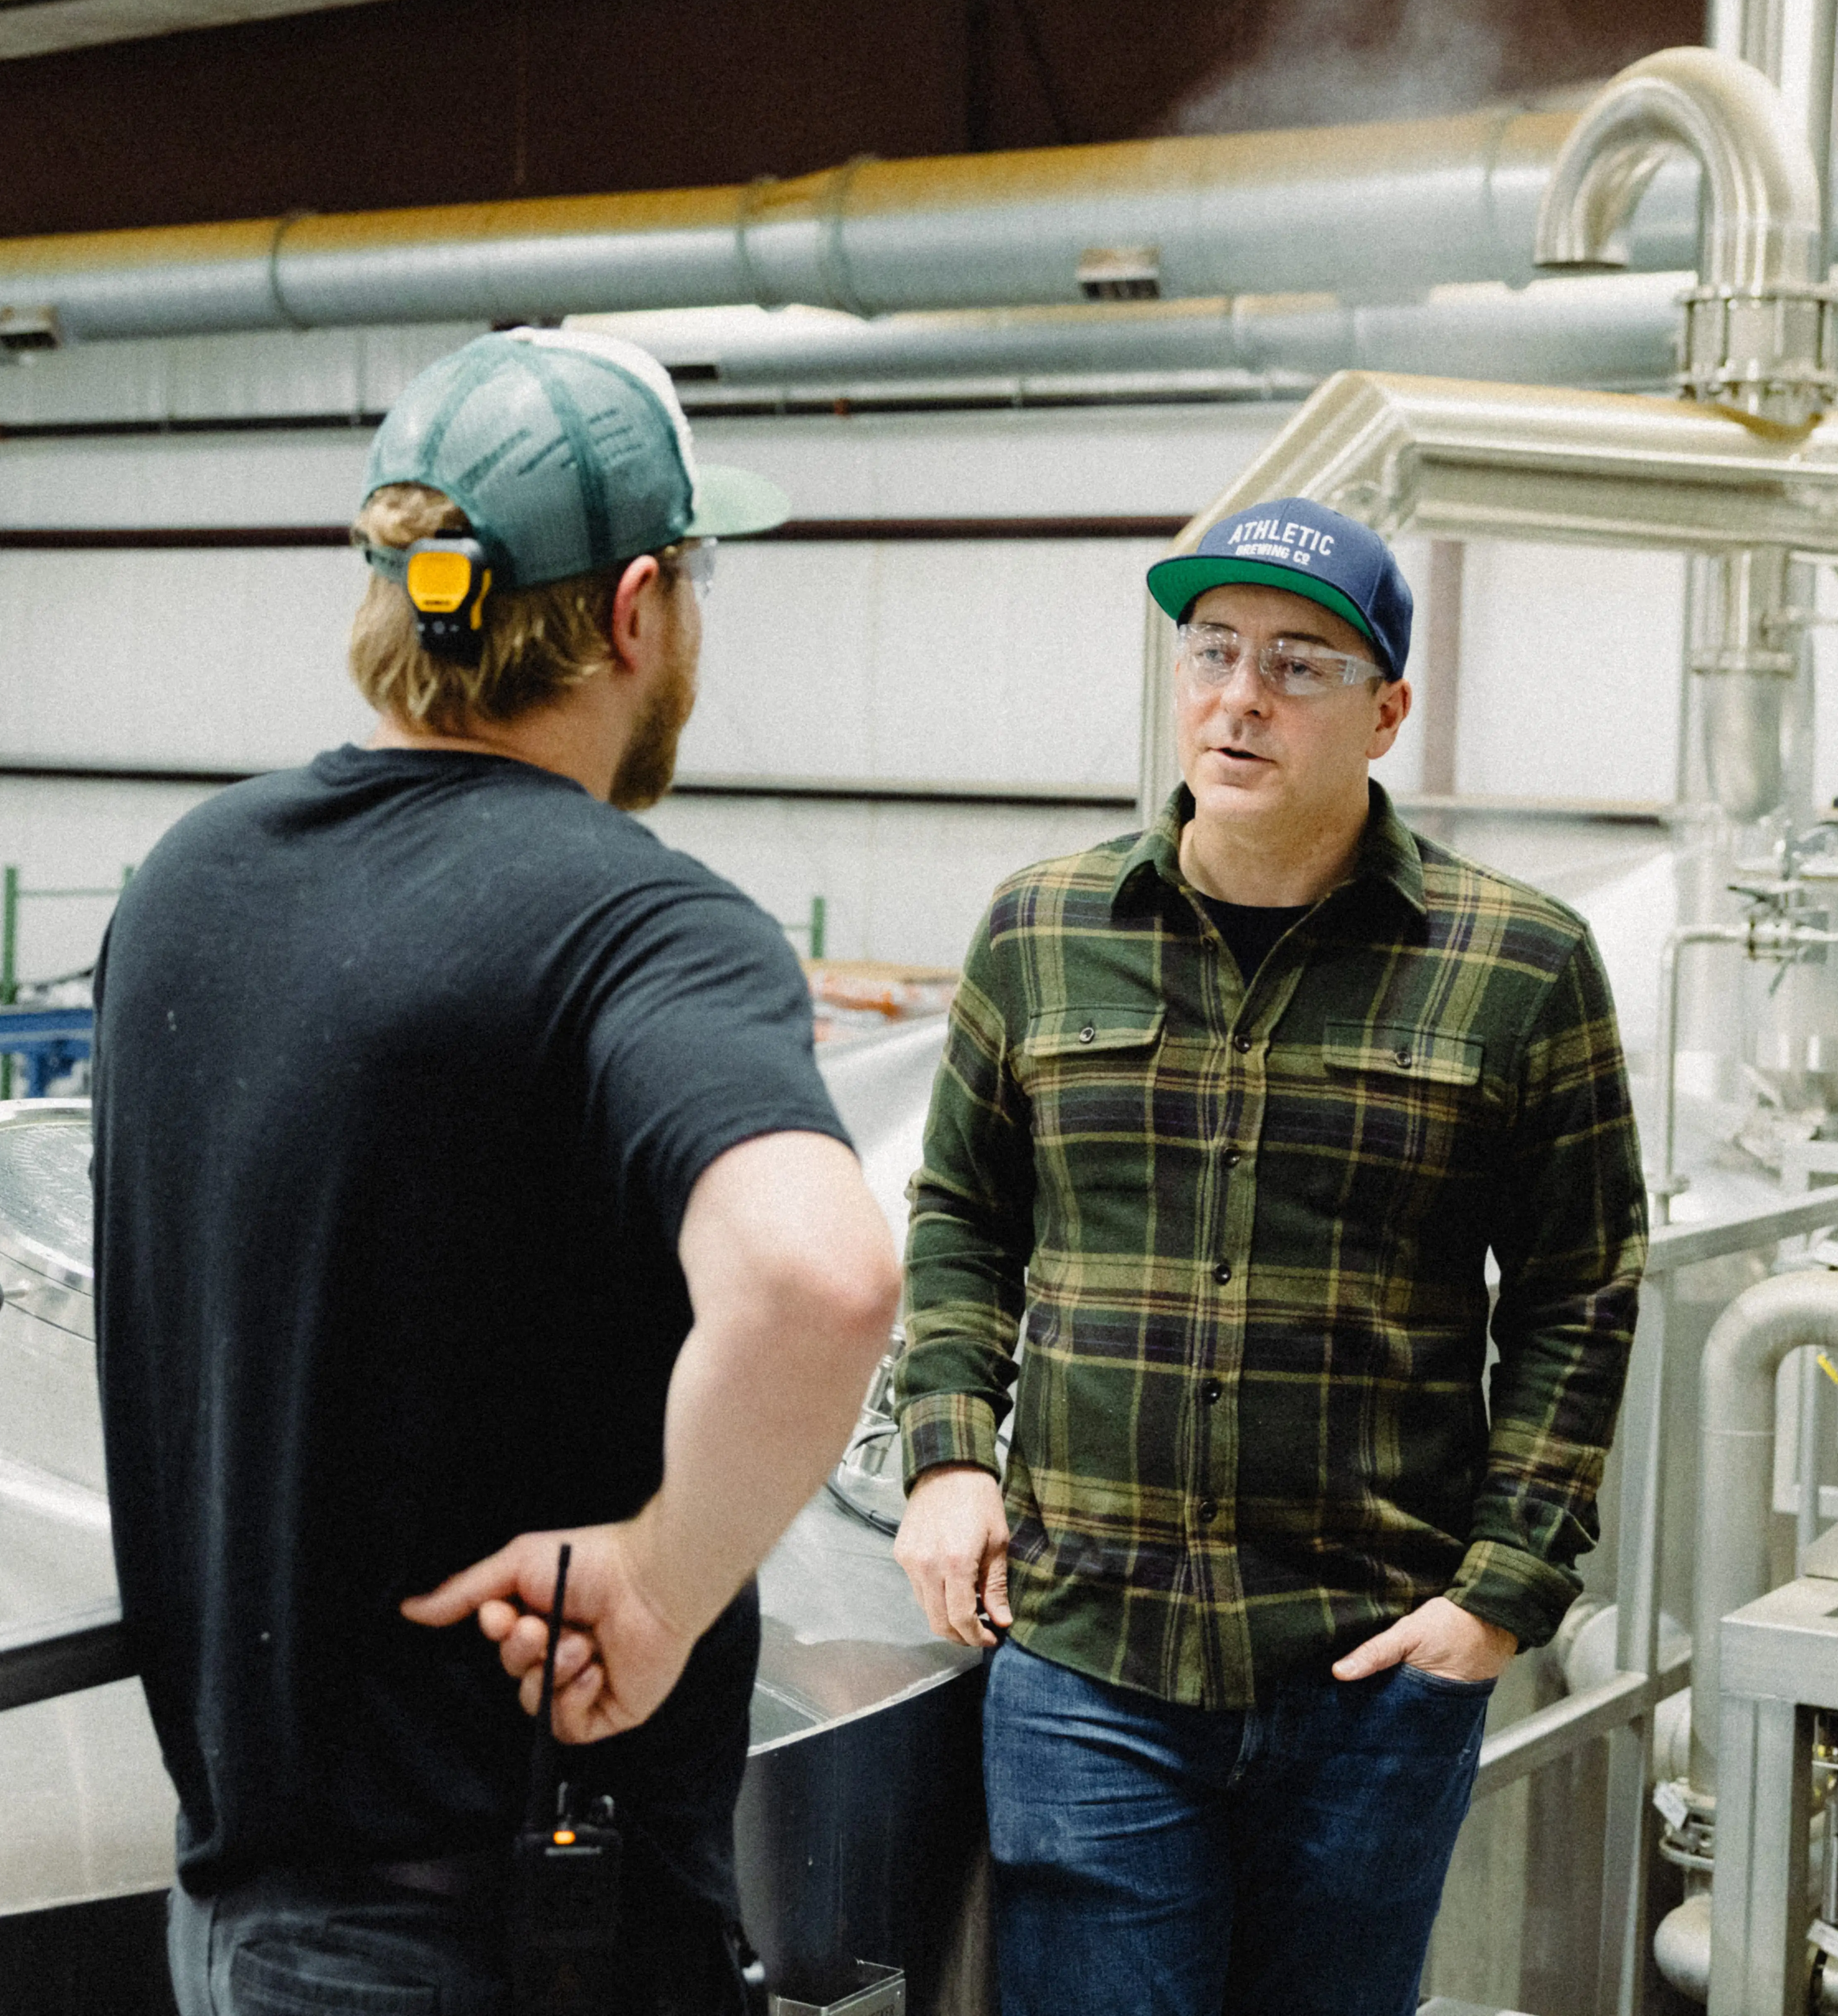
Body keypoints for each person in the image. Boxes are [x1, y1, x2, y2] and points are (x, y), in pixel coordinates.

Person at [92, 327, 899, 2016]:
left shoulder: (187, 880)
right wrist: (668, 1581)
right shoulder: (640, 921)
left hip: (239, 1922)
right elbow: (819, 1280)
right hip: (509, 1942)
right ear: (634, 612)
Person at [890, 497, 1645, 2016]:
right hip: (1091, 1658)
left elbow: (1580, 1290)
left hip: (1371, 1667)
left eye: (1297, 665)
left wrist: (1500, 1591)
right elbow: (963, 1212)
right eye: (1211, 652)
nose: (1238, 698)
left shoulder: (1519, 962)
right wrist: (946, 1456)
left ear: (1386, 710)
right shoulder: (1041, 929)